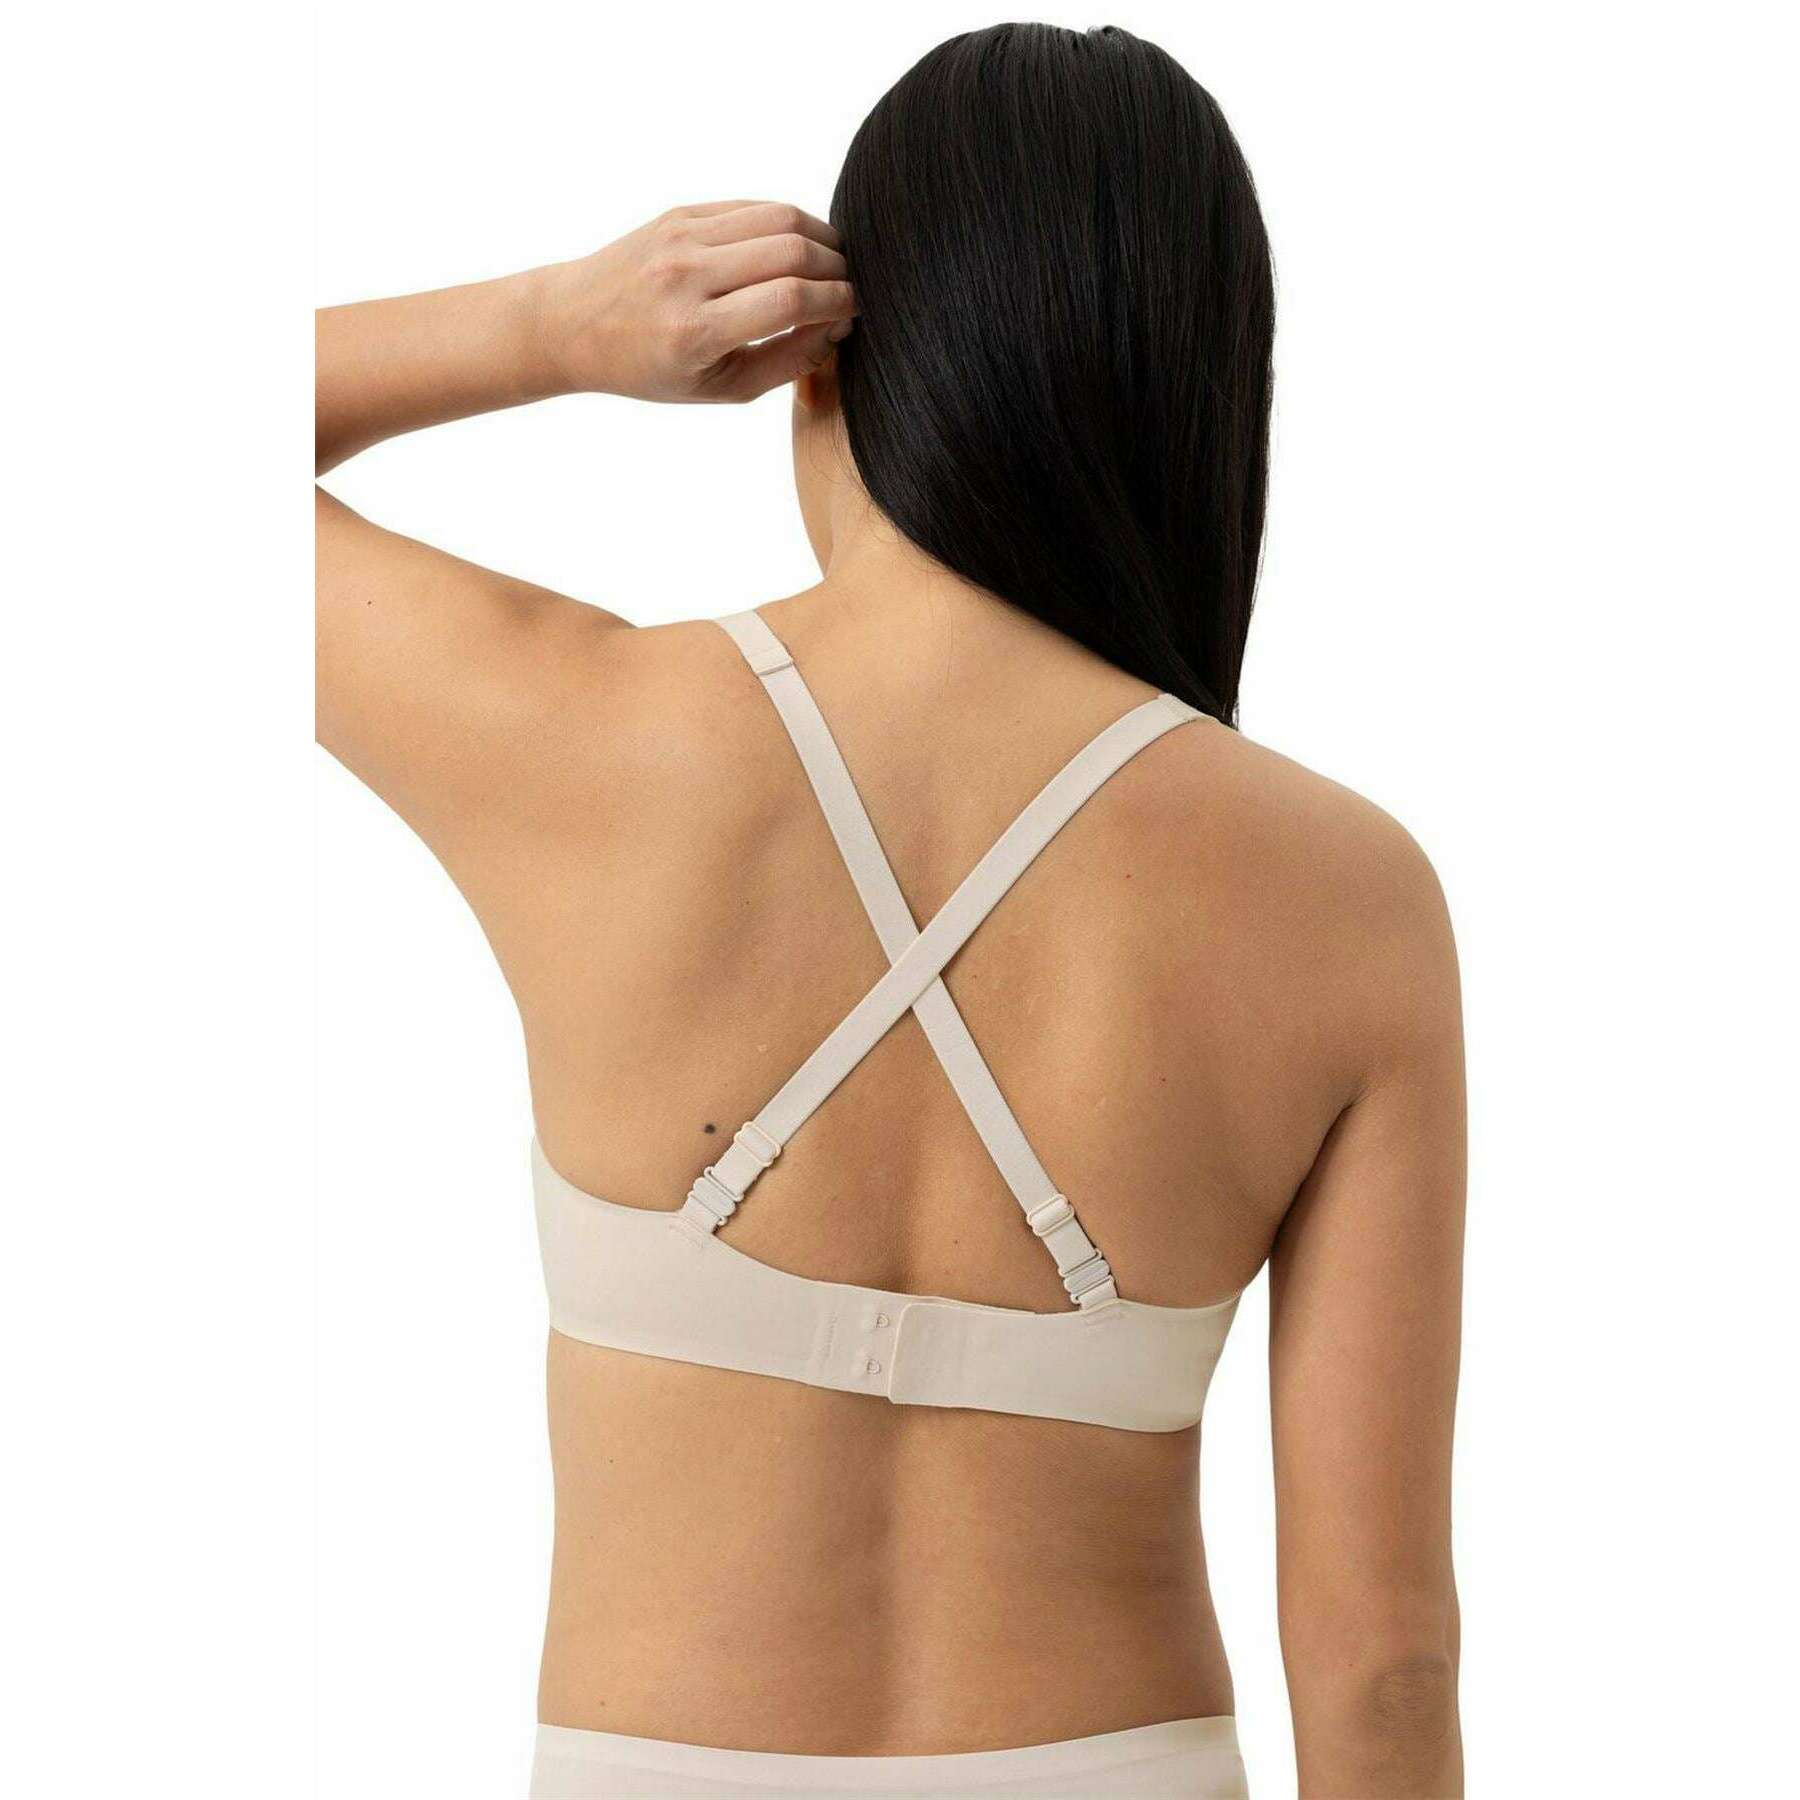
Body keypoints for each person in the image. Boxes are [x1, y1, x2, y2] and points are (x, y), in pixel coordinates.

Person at [316, 22, 1464, 1798]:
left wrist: (552, 326)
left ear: (824, 369)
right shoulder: (1348, 897)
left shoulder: (587, 742)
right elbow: (1381, 1659)